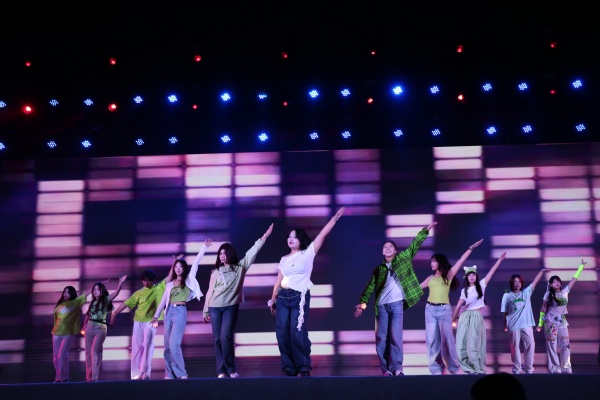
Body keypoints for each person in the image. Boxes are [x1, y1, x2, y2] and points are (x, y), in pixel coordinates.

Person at [354, 221, 438, 376]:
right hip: (381, 306)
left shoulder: (402, 259)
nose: (387, 248)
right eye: (385, 247)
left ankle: (397, 368)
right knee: (382, 338)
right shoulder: (379, 269)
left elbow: (414, 246)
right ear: (382, 252)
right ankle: (385, 369)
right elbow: (370, 286)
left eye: (390, 246)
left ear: (395, 250)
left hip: (397, 305)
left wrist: (424, 231)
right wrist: (362, 303)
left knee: (396, 336)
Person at [269, 207, 345, 377]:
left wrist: (334, 218)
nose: (290, 239)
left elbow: (322, 235)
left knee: (297, 331)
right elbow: (278, 281)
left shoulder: (308, 253)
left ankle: (303, 366)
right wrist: (273, 299)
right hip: (282, 298)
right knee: (282, 333)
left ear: (301, 239)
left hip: (299, 297)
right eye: (289, 236)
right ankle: (288, 367)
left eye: (294, 236)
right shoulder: (284, 259)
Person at [203, 223, 274, 378]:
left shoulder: (240, 267)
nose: (222, 255)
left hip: (230, 307)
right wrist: (205, 310)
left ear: (230, 254)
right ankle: (221, 370)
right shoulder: (216, 271)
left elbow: (252, 252)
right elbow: (209, 291)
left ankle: (231, 369)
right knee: (217, 339)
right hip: (214, 307)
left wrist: (264, 237)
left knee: (226, 337)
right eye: (220, 253)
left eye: (225, 253)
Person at [419, 238, 483, 375]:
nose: (431, 263)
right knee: (432, 340)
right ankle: (436, 369)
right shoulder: (430, 278)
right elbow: (416, 289)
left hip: (444, 310)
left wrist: (471, 248)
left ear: (440, 262)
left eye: (434, 261)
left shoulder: (449, 275)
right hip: (430, 310)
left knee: (448, 339)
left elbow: (461, 261)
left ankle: (453, 368)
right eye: (431, 261)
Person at [152, 238, 212, 379]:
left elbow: (196, 263)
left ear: (184, 268)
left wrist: (204, 248)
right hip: (169, 312)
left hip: (180, 311)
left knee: (174, 344)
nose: (178, 268)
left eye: (180, 266)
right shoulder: (169, 285)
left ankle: (181, 373)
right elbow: (163, 302)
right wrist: (155, 316)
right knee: (167, 346)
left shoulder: (189, 280)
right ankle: (169, 374)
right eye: (176, 266)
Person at [111, 262, 177, 380]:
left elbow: (170, 276)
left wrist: (175, 262)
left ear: (153, 280)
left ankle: (145, 372)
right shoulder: (139, 293)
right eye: (144, 281)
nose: (146, 283)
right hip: (138, 321)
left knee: (147, 344)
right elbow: (126, 303)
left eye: (148, 281)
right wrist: (114, 314)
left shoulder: (158, 287)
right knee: (137, 347)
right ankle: (136, 374)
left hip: (151, 322)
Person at [452, 252, 507, 374]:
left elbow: (491, 272)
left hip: (476, 316)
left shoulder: (481, 285)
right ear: (466, 277)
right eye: (469, 275)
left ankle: (478, 369)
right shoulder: (464, 290)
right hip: (464, 316)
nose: (472, 277)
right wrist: (454, 318)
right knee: (461, 343)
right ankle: (468, 369)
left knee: (474, 342)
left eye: (474, 275)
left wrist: (499, 260)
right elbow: (459, 305)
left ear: (476, 276)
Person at [51, 278, 110, 383]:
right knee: (55, 357)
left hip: (68, 333)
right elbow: (56, 319)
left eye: (68, 292)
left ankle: (63, 378)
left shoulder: (76, 302)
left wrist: (97, 285)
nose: (65, 294)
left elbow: (87, 293)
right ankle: (58, 376)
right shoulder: (59, 305)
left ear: (72, 294)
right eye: (64, 292)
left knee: (62, 354)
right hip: (56, 333)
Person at [536, 260, 586, 374]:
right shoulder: (548, 294)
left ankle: (566, 368)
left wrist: (581, 267)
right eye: (554, 282)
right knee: (552, 345)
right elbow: (543, 308)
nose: (557, 283)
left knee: (565, 345)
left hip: (562, 321)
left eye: (558, 281)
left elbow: (574, 279)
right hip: (550, 321)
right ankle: (555, 369)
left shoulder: (565, 292)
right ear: (550, 285)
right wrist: (539, 324)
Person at [500, 267, 551, 374]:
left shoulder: (526, 292)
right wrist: (504, 324)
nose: (517, 283)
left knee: (530, 344)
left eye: (519, 281)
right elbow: (504, 311)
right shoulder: (507, 295)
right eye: (515, 281)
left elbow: (535, 282)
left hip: (526, 323)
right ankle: (516, 369)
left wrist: (542, 271)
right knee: (514, 347)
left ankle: (528, 368)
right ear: (512, 283)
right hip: (513, 324)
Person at [83, 275, 127, 381]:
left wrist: (120, 283)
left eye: (98, 289)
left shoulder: (106, 300)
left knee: (94, 352)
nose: (95, 291)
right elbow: (88, 315)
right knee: (88, 354)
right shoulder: (92, 302)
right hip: (89, 327)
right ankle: (90, 378)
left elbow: (116, 293)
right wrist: (84, 326)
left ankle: (95, 379)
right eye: (94, 289)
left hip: (100, 328)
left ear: (102, 291)